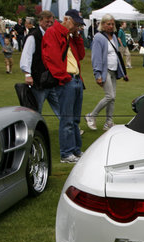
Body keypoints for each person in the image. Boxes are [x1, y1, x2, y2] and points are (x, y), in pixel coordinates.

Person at [42, 9, 85, 163]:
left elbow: (81, 55)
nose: (76, 27)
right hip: (67, 81)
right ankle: (66, 153)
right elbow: (51, 58)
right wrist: (64, 78)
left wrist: (77, 36)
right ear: (66, 19)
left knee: (75, 119)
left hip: (76, 79)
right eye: (75, 24)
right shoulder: (53, 33)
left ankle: (76, 150)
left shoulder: (69, 35)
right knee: (67, 119)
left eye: (79, 25)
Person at [86, 14, 128, 132]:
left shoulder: (113, 37)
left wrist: (123, 72)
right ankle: (91, 116)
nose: (110, 26)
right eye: (108, 24)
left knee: (112, 98)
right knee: (110, 96)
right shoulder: (98, 38)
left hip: (114, 70)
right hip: (105, 70)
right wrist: (97, 74)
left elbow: (117, 54)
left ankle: (108, 122)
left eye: (112, 24)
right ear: (102, 24)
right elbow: (96, 57)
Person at [20, 11, 59, 117]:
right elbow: (26, 56)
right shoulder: (33, 37)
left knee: (60, 106)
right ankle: (35, 130)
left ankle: (70, 129)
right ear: (40, 21)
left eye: (51, 22)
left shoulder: (52, 35)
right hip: (38, 80)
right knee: (37, 109)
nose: (49, 24)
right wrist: (27, 75)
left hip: (52, 79)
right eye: (47, 21)